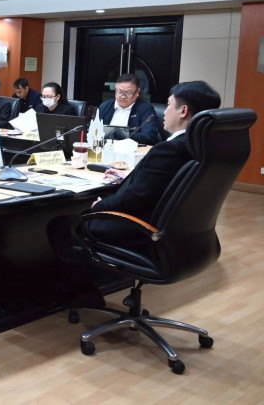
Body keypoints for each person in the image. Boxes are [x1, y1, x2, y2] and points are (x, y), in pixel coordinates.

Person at [46, 80, 221, 306]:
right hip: (183, 235)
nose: (165, 112)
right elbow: (159, 184)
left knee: (62, 225)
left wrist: (99, 206)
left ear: (183, 111)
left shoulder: (168, 149)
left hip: (141, 228)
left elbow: (136, 198)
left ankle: (83, 293)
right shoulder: (202, 147)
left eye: (169, 105)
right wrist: (128, 178)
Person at [97, 73, 161, 145]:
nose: (123, 96)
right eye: (120, 92)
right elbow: (95, 130)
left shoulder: (145, 109)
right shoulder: (105, 106)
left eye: (128, 93)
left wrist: (122, 135)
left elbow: (149, 136)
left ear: (137, 92)